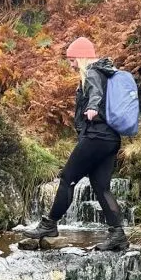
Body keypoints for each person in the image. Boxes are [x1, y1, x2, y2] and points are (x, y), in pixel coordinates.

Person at [23, 37, 129, 251]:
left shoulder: (91, 72)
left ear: (81, 57)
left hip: (96, 136)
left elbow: (95, 94)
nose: (70, 65)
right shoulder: (108, 73)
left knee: (67, 179)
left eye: (72, 60)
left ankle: (49, 225)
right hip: (111, 139)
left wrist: (92, 108)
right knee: (101, 187)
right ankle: (118, 235)